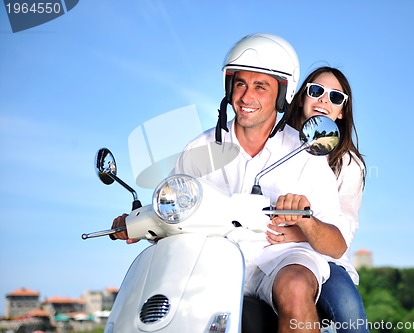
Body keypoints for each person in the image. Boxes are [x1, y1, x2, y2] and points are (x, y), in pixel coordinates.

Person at [112, 34, 355, 333]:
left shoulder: (305, 153)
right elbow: (172, 208)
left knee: (294, 287)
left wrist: (307, 221)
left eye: (260, 86)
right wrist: (137, 223)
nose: (246, 97)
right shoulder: (199, 149)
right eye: (240, 84)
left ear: (282, 94)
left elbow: (337, 243)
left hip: (279, 258)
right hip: (212, 258)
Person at [285, 66, 369, 332]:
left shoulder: (349, 163)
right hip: (268, 248)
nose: (324, 100)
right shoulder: (274, 142)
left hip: (325, 255)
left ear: (342, 111)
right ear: (302, 98)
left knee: (348, 309)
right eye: (317, 91)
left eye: (335, 97)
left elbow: (347, 227)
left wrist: (299, 234)